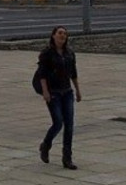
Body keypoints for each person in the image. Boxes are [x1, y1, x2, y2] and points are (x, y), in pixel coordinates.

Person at [37, 25, 82, 170]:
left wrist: (78, 90)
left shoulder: (69, 53)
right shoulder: (47, 53)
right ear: (53, 36)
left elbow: (73, 73)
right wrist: (45, 92)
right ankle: (46, 144)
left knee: (69, 125)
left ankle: (67, 158)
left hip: (67, 92)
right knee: (58, 122)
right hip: (53, 93)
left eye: (65, 34)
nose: (63, 36)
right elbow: (42, 74)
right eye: (60, 33)